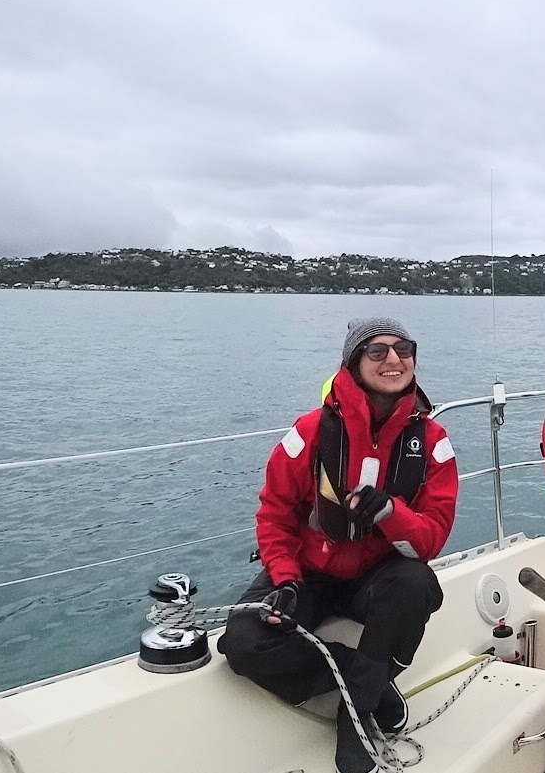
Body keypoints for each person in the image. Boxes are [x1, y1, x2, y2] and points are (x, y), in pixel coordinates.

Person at [219, 317, 459, 773]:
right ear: (353, 362)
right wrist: (286, 580)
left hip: (377, 577)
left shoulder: (432, 442)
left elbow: (431, 539)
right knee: (243, 641)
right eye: (377, 350)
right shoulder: (310, 432)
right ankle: (368, 680)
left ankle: (356, 716)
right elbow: (274, 514)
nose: (393, 359)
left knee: (416, 584)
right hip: (309, 573)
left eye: (403, 349)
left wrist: (390, 511)